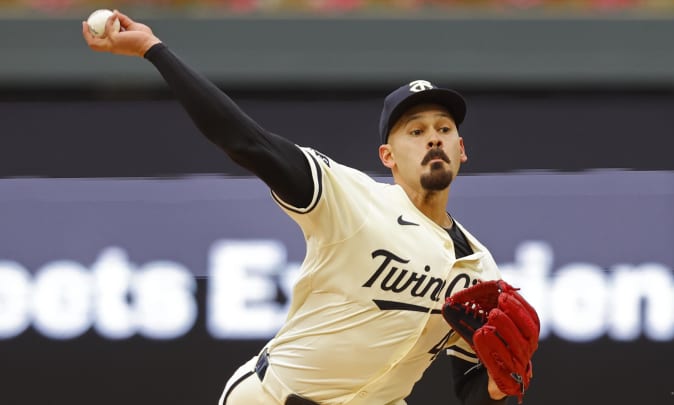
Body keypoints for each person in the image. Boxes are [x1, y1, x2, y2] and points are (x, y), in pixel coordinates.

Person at [82, 11, 515, 405]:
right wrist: (153, 50)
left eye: (444, 129)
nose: (433, 138)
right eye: (415, 131)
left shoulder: (480, 271)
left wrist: (496, 387)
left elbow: (472, 389)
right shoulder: (349, 197)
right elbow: (245, 141)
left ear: (462, 150)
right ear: (388, 156)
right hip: (275, 397)